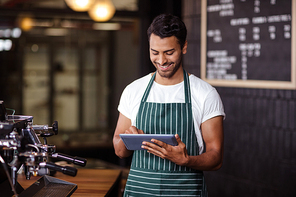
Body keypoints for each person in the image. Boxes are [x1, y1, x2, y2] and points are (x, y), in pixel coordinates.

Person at [113, 13, 225, 197]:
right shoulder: (134, 90)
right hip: (139, 192)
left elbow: (216, 157)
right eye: (154, 52)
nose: (162, 61)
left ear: (184, 47)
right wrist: (128, 140)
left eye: (169, 52)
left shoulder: (205, 93)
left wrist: (186, 160)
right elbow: (119, 150)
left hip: (186, 192)